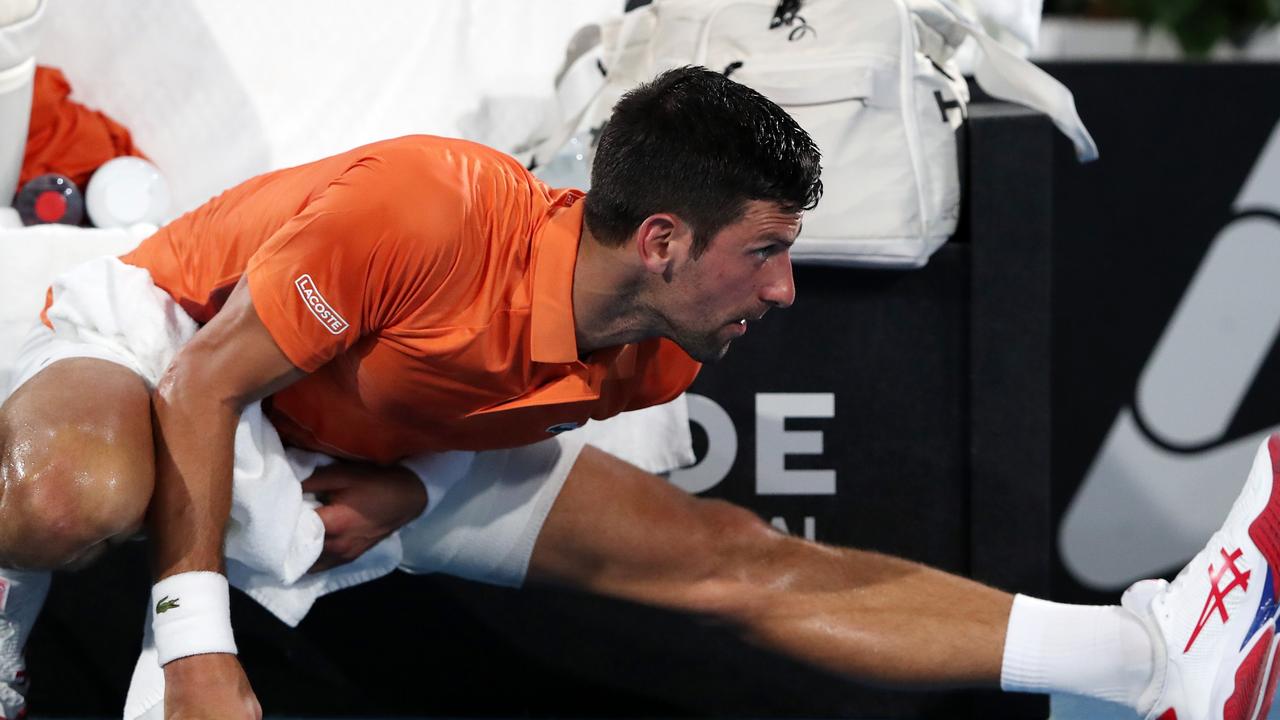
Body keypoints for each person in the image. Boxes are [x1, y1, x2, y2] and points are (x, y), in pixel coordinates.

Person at [0, 65, 1273, 720]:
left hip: (370, 442)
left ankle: (1141, 656)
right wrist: (203, 653)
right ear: (661, 240)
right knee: (74, 494)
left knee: (736, 560)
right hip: (173, 348)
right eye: (764, 252)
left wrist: (411, 485)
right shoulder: (422, 209)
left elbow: (466, 419)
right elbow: (207, 381)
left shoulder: (662, 337)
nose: (782, 292)